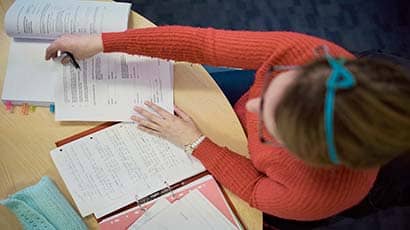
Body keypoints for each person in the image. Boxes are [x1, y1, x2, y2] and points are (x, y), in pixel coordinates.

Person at [45, 26, 410, 221]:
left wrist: (196, 143)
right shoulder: (310, 55)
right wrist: (102, 42)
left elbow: (254, 190)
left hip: (286, 200)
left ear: (302, 153)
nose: (251, 103)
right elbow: (203, 44)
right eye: (272, 86)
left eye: (269, 121)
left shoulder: (314, 195)